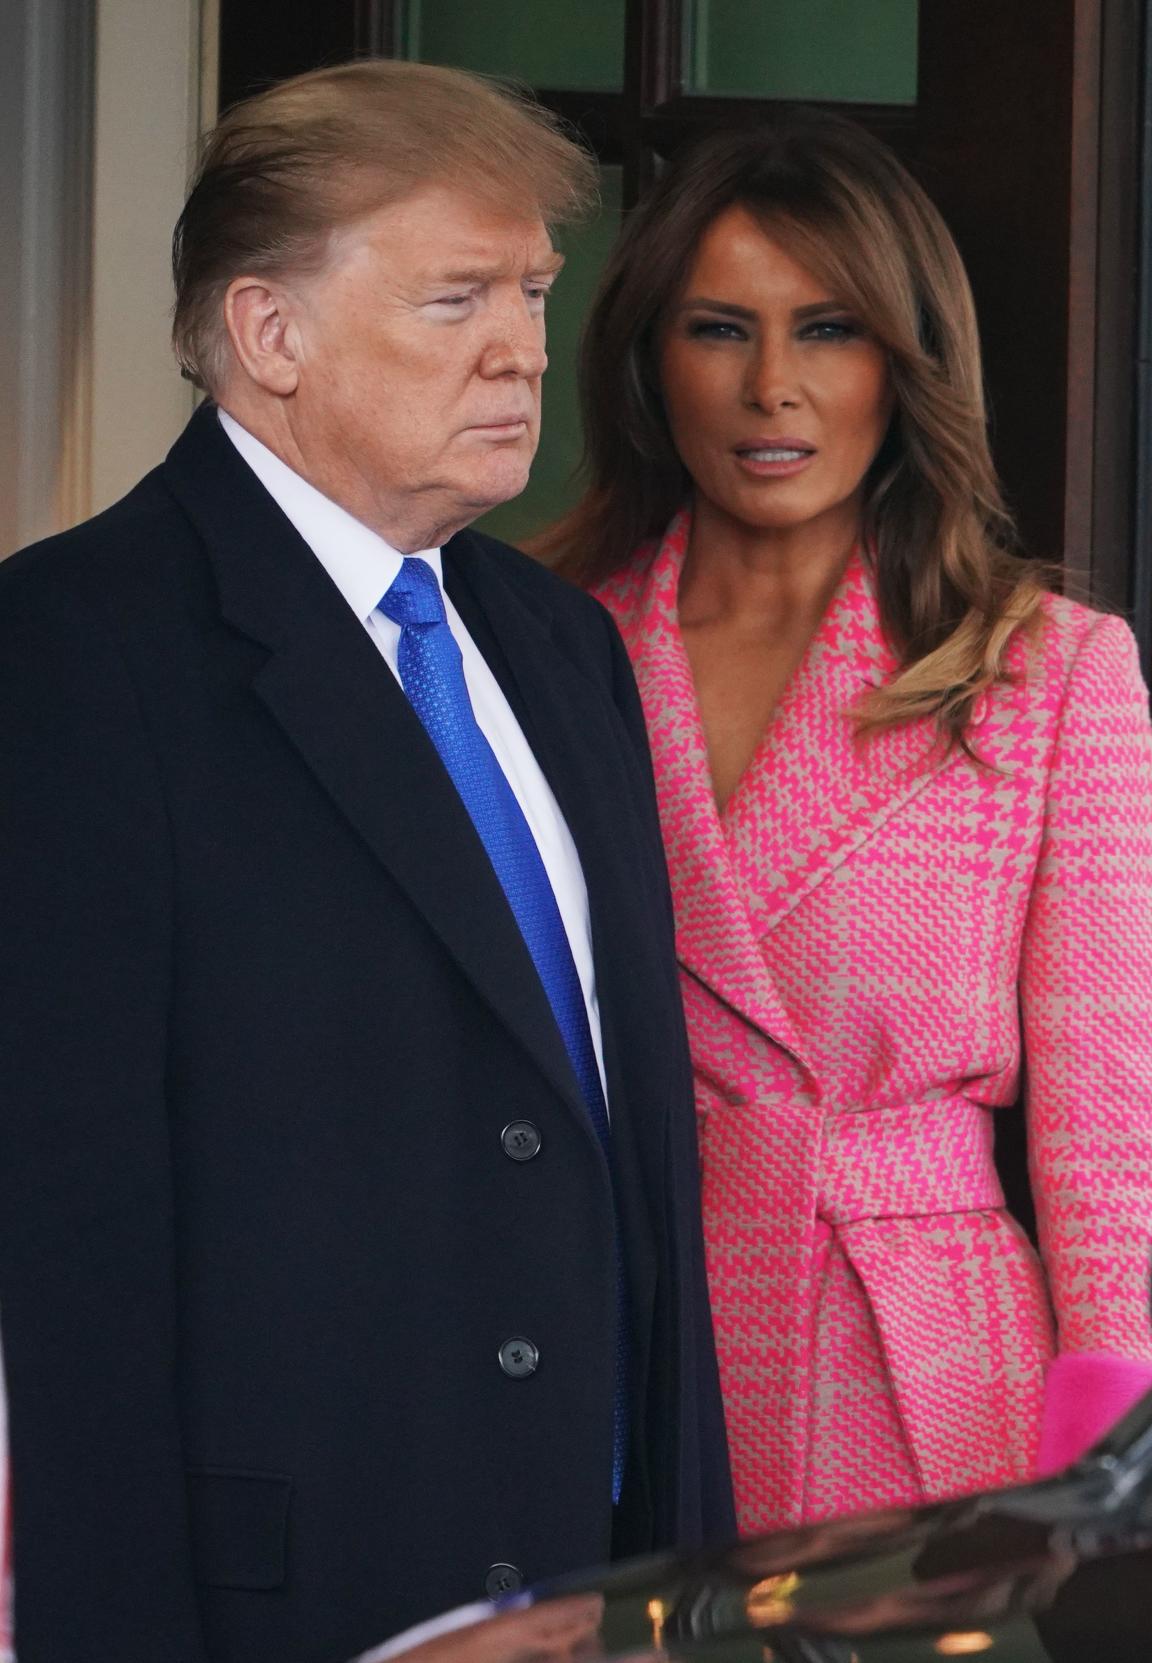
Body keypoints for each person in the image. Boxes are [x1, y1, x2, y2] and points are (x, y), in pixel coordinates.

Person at [0, 61, 733, 1663]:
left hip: (610, 1576)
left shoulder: (556, 645)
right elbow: (73, 1246)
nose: (523, 350)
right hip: (297, 1596)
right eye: (455, 296)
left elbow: (631, 1148)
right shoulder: (69, 650)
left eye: (534, 291)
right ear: (269, 333)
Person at [536, 112, 1152, 1536]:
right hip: (615, 1321)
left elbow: (1107, 1106)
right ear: (648, 361)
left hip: (925, 1371)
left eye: (826, 329)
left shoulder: (1043, 669)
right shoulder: (540, 651)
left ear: (903, 359)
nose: (773, 390)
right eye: (718, 330)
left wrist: (1107, 1425)